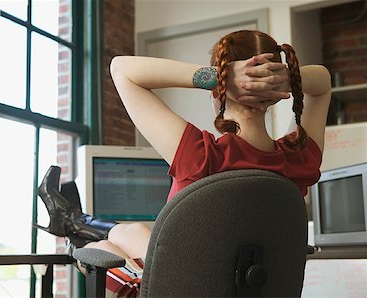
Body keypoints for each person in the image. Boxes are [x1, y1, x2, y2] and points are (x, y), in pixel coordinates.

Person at [35, 30, 331, 297]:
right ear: (276, 94)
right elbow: (323, 83)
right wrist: (284, 77)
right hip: (236, 286)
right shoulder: (298, 161)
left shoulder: (201, 155)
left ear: (218, 91)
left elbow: (121, 68)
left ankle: (76, 233)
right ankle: (75, 220)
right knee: (136, 231)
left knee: (98, 250)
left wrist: (219, 76)